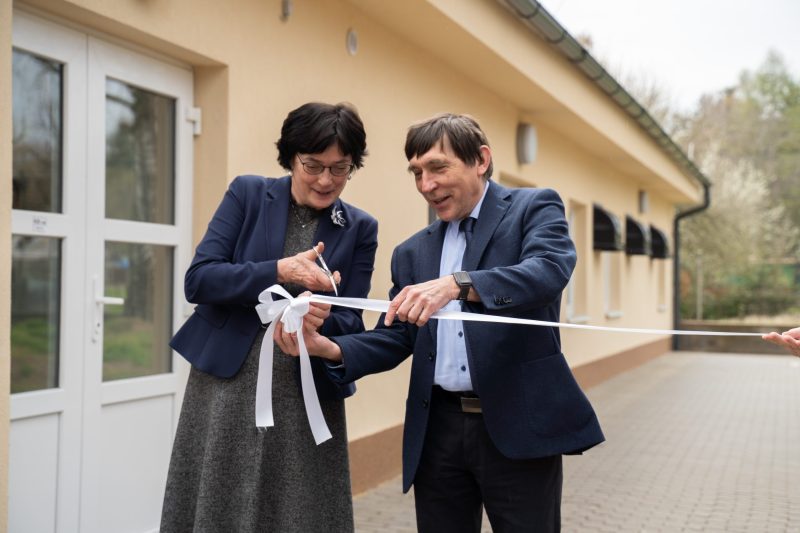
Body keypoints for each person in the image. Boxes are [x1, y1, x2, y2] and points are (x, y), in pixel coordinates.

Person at [277, 113, 604, 532]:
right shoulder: (412, 252)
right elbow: (398, 335)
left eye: (437, 168)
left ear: (481, 160)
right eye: (416, 172)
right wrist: (331, 349)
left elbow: (547, 272)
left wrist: (457, 284)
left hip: (516, 425)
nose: (425, 185)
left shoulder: (533, 208)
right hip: (437, 432)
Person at [160, 102, 378, 533]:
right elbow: (200, 280)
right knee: (222, 501)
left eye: (341, 168)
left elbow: (353, 325)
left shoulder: (359, 227)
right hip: (229, 385)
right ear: (290, 155)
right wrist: (279, 270)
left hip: (304, 394)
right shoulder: (248, 194)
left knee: (297, 510)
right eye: (313, 165)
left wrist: (325, 315)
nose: (326, 180)